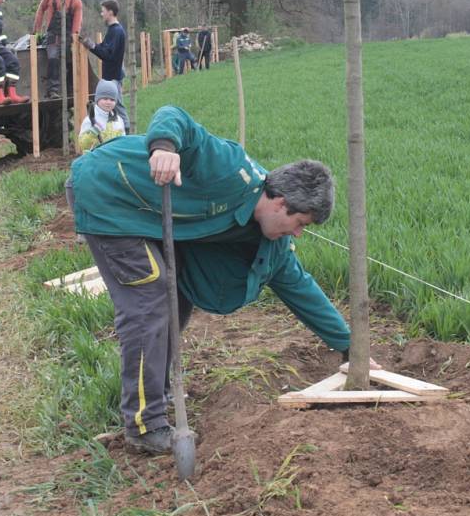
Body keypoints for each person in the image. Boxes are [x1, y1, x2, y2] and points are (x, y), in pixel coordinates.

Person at [67, 106, 357, 455]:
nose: (297, 233)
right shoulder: (227, 167)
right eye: (300, 223)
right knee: (150, 299)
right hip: (107, 192)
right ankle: (144, 424)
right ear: (281, 202)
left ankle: (157, 392)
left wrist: (348, 344)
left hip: (149, 215)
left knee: (179, 296)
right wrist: (163, 147)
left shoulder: (269, 242)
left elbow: (299, 287)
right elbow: (174, 115)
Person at [79, 0, 129, 131]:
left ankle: (127, 132)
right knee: (114, 106)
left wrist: (92, 46)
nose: (101, 14)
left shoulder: (117, 31)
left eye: (103, 11)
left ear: (110, 12)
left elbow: (108, 55)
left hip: (113, 77)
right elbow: (104, 48)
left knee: (117, 105)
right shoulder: (112, 30)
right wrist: (92, 45)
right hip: (110, 76)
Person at [33, 0, 83, 99]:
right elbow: (40, 12)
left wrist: (74, 39)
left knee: (70, 60)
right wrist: (36, 31)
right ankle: (52, 90)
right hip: (53, 35)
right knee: (53, 58)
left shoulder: (76, 1)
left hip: (68, 37)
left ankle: (71, 89)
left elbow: (77, 23)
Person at [78, 79, 126, 152]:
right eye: (105, 99)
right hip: (95, 160)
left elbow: (123, 141)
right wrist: (92, 133)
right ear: (97, 99)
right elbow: (83, 145)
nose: (108, 102)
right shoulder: (90, 120)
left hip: (113, 159)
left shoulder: (118, 120)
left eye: (112, 100)